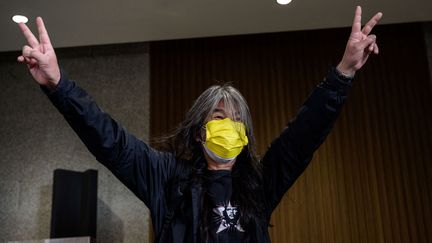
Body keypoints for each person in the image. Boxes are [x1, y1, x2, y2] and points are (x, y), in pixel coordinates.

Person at [17, 6, 382, 243]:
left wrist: (344, 72)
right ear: (199, 131)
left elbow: (305, 135)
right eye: (220, 117)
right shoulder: (165, 178)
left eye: (238, 121)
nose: (230, 126)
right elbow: (108, 140)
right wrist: (58, 85)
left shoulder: (260, 182)